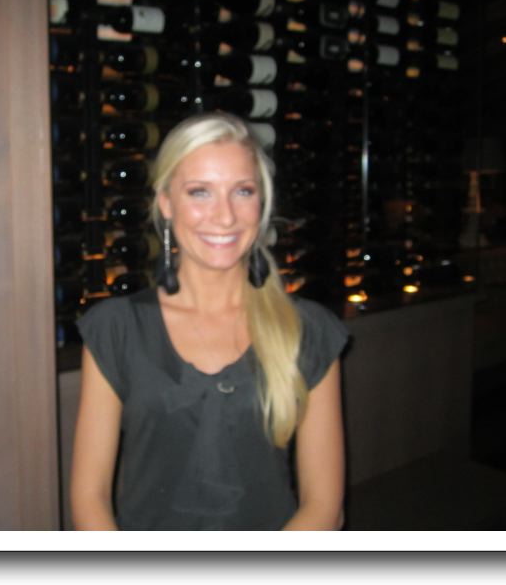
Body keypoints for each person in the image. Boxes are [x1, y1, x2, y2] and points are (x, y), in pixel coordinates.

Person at [70, 113, 349, 530]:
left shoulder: (307, 330)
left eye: (243, 191)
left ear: (261, 203)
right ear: (166, 203)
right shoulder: (116, 329)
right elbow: (89, 498)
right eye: (200, 192)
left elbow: (324, 505)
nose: (225, 216)